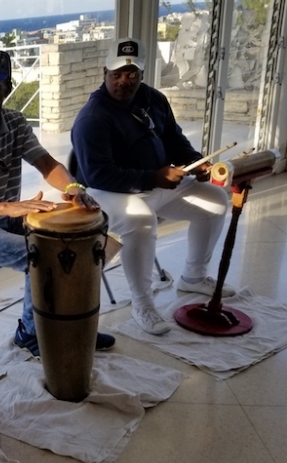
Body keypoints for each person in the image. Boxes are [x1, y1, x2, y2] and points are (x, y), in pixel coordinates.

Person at [0, 46, 116, 357]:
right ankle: (30, 334)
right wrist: (8, 207)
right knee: (43, 255)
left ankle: (73, 325)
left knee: (79, 244)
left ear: (8, 88)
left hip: (11, 219)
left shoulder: (15, 123)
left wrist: (73, 187)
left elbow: (45, 164)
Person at [71, 37, 233, 335]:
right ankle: (142, 304)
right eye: (116, 74)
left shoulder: (154, 98)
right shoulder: (93, 118)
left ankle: (194, 277)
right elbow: (97, 175)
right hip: (109, 192)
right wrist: (153, 178)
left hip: (158, 182)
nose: (124, 81)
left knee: (216, 199)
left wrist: (196, 162)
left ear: (142, 74)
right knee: (140, 222)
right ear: (104, 73)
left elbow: (174, 140)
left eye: (131, 74)